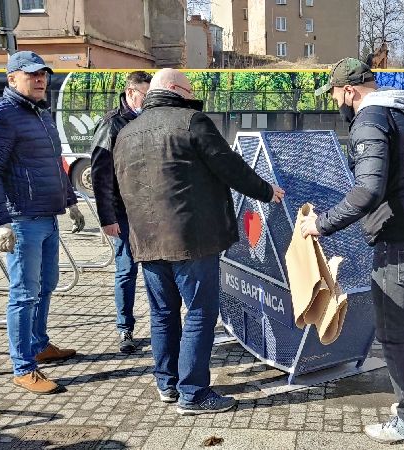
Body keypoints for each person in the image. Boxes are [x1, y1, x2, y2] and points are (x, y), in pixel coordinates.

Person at [112, 69, 285, 414]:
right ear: (175, 89)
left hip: (146, 240)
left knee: (162, 314)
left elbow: (118, 186)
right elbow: (229, 166)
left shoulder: (127, 131)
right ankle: (193, 393)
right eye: (190, 90)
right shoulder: (192, 122)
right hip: (191, 239)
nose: (193, 96)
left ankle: (167, 384)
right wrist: (267, 191)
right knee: (200, 313)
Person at [301, 58, 404, 447]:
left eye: (335, 93)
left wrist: (321, 223)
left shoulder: (370, 119)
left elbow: (368, 190)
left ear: (349, 90)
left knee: (392, 334)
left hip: (403, 242)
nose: (335, 101)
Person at [0, 51, 85, 395]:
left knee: (47, 284)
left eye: (43, 74)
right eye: (32, 75)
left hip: (47, 215)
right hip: (22, 219)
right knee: (24, 294)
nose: (40, 80)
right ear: (12, 79)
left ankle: (39, 344)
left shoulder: (41, 113)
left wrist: (70, 201)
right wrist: (0, 222)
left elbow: (55, 163)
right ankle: (23, 367)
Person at [90, 71, 152, 353]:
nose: (149, 101)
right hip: (124, 213)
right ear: (130, 93)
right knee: (127, 270)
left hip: (150, 211)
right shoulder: (111, 123)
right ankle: (125, 328)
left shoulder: (149, 119)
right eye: (145, 96)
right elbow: (100, 174)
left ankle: (162, 325)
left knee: (155, 270)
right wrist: (107, 218)